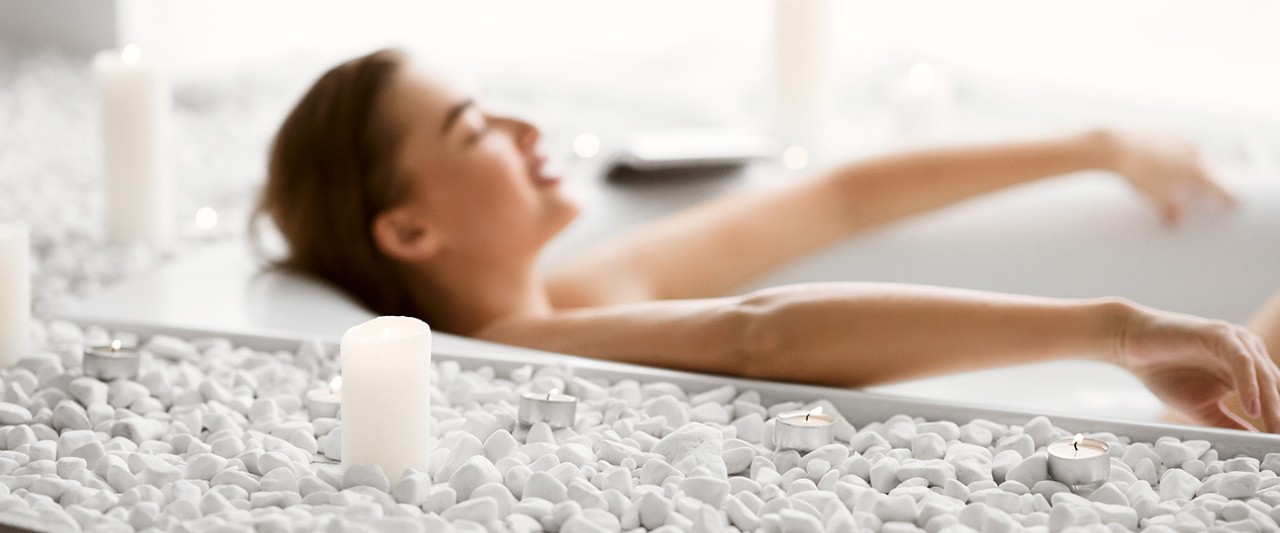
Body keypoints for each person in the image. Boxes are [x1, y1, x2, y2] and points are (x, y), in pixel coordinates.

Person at [254, 48, 1280, 432]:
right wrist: (1117, 330)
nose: (525, 127)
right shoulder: (517, 345)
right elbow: (760, 334)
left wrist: (1098, 144)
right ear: (410, 227)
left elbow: (835, 200)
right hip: (1166, 449)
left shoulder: (581, 292)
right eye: (474, 128)